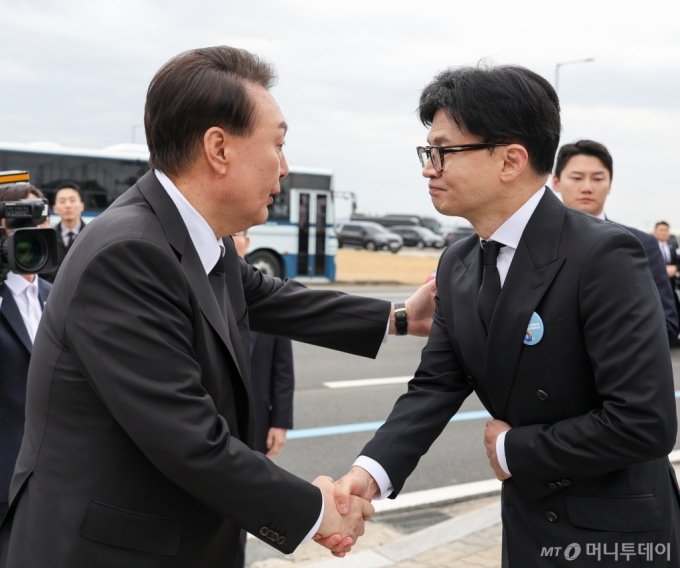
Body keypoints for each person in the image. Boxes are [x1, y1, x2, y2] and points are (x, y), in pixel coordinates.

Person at [0, 46, 436, 568]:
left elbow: (266, 296)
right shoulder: (128, 253)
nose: (285, 167)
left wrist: (400, 318)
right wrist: (318, 510)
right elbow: (188, 438)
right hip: (103, 550)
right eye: (277, 144)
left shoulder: (196, 235)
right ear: (219, 148)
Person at [326, 65, 680, 567]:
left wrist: (516, 451)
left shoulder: (603, 255)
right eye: (427, 152)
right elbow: (435, 385)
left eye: (443, 151)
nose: (429, 167)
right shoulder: (459, 261)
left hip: (613, 533)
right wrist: (368, 475)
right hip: (529, 524)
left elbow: (645, 422)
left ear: (511, 160)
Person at [552, 140, 679, 346]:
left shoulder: (639, 244)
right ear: (556, 182)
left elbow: (667, 324)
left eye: (598, 178)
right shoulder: (534, 242)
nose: (587, 187)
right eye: (576, 177)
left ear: (609, 185)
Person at [232, 229, 296, 568]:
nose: (233, 239)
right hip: (214, 422)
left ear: (247, 242)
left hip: (256, 419)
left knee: (245, 500)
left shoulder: (264, 293)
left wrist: (280, 422)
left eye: (239, 235)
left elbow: (282, 370)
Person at [0, 183, 52, 521]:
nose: (32, 231)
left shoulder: (59, 294)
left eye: (40, 218)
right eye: (20, 221)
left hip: (52, 481)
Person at [41, 182, 87, 283]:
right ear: (55, 208)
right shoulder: (46, 238)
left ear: (82, 206)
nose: (68, 205)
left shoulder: (92, 236)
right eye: (62, 201)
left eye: (72, 200)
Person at [654, 221, 680, 315]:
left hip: (670, 285)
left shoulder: (672, 247)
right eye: (661, 230)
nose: (664, 233)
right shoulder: (650, 247)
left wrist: (675, 268)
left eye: (666, 230)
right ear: (655, 231)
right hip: (656, 284)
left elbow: (677, 262)